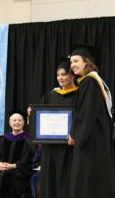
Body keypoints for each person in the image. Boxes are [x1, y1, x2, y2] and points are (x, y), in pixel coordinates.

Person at [68, 44, 115, 198]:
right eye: (71, 62)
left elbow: (86, 113)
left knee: (87, 179)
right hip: (96, 137)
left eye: (76, 61)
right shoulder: (92, 81)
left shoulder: (89, 82)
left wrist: (75, 135)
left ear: (86, 62)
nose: (72, 65)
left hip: (90, 140)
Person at [31, 57, 78, 198]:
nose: (60, 78)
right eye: (58, 75)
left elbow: (82, 118)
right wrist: (32, 114)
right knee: (49, 180)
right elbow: (40, 117)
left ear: (72, 75)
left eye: (64, 74)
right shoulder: (51, 95)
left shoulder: (79, 94)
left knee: (65, 180)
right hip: (50, 147)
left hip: (68, 147)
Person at [0, 109, 34, 198]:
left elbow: (28, 159)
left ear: (24, 123)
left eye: (20, 120)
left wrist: (13, 166)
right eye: (14, 120)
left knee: (8, 177)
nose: (17, 122)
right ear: (9, 123)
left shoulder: (28, 140)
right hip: (2, 168)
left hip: (19, 170)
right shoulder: (3, 138)